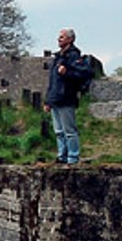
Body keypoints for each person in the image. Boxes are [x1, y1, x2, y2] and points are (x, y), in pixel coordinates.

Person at [45, 28, 94, 165]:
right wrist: (48, 100)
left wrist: (67, 72)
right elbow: (53, 81)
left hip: (66, 97)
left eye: (62, 37)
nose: (58, 39)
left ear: (70, 39)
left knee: (69, 130)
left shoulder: (74, 56)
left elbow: (83, 74)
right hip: (56, 99)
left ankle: (72, 157)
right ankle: (62, 156)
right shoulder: (58, 58)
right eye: (59, 37)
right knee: (58, 131)